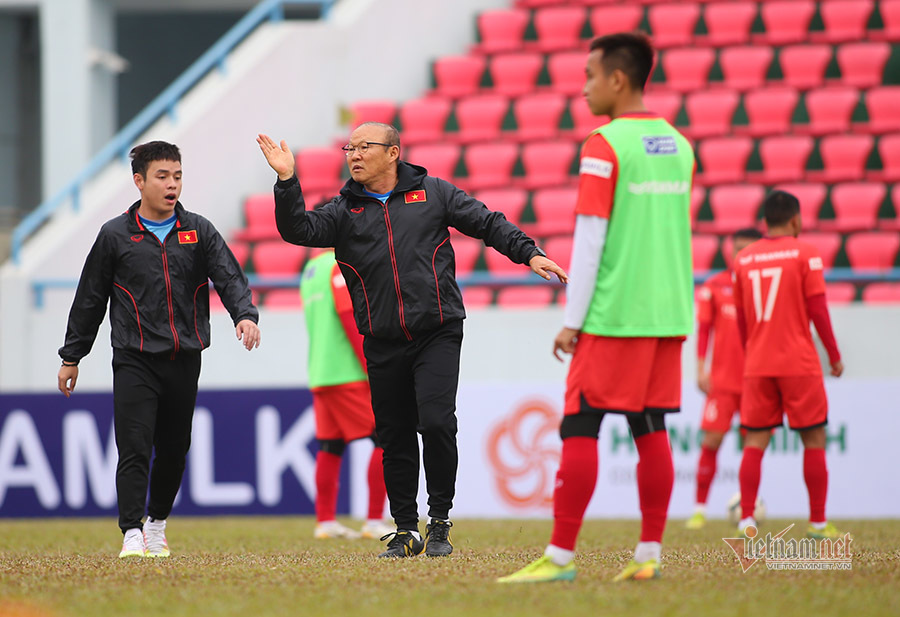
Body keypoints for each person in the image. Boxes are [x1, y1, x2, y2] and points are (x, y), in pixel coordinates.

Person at [257, 122, 567, 558]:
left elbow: (487, 222)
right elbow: (298, 232)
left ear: (393, 153)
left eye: (365, 147)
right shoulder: (343, 210)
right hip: (382, 340)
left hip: (438, 330)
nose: (355, 155)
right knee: (394, 435)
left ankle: (439, 520)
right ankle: (405, 529)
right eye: (350, 147)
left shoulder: (434, 193)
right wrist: (287, 180)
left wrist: (528, 252)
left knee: (437, 422)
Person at [498, 32, 695, 584]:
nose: (583, 87)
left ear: (617, 79)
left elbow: (590, 240)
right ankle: (649, 555)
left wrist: (572, 321)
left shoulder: (605, 144)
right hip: (669, 312)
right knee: (649, 424)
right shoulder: (678, 144)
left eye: (589, 75)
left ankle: (559, 558)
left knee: (581, 423)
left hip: (615, 313)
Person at [57, 141, 260, 559]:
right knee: (134, 445)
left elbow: (229, 275)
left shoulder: (199, 230)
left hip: (185, 356)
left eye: (178, 176)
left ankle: (157, 524)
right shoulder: (115, 235)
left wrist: (245, 314)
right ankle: (131, 531)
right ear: (140, 181)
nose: (172, 185)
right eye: (163, 176)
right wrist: (71, 356)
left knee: (173, 449)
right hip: (133, 356)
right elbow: (90, 298)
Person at [732, 190, 844, 539]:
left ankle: (746, 520)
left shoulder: (744, 259)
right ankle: (818, 524)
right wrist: (834, 355)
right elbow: (818, 310)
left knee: (755, 441)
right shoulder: (805, 253)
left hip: (759, 363)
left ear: (765, 221)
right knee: (813, 438)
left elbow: (741, 320)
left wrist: (752, 352)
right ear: (795, 220)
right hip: (798, 362)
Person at [300, 247, 392, 540]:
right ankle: (375, 520)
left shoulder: (310, 270)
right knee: (386, 437)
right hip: (348, 372)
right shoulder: (338, 264)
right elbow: (347, 312)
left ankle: (325, 522)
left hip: (321, 371)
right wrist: (371, 364)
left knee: (331, 445)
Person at [686, 228, 763, 530]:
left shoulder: (764, 286)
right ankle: (699, 509)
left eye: (747, 249)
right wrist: (701, 368)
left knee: (752, 444)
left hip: (756, 378)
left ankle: (748, 508)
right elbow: (705, 330)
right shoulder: (715, 286)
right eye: (737, 249)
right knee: (712, 441)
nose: (741, 255)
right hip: (723, 380)